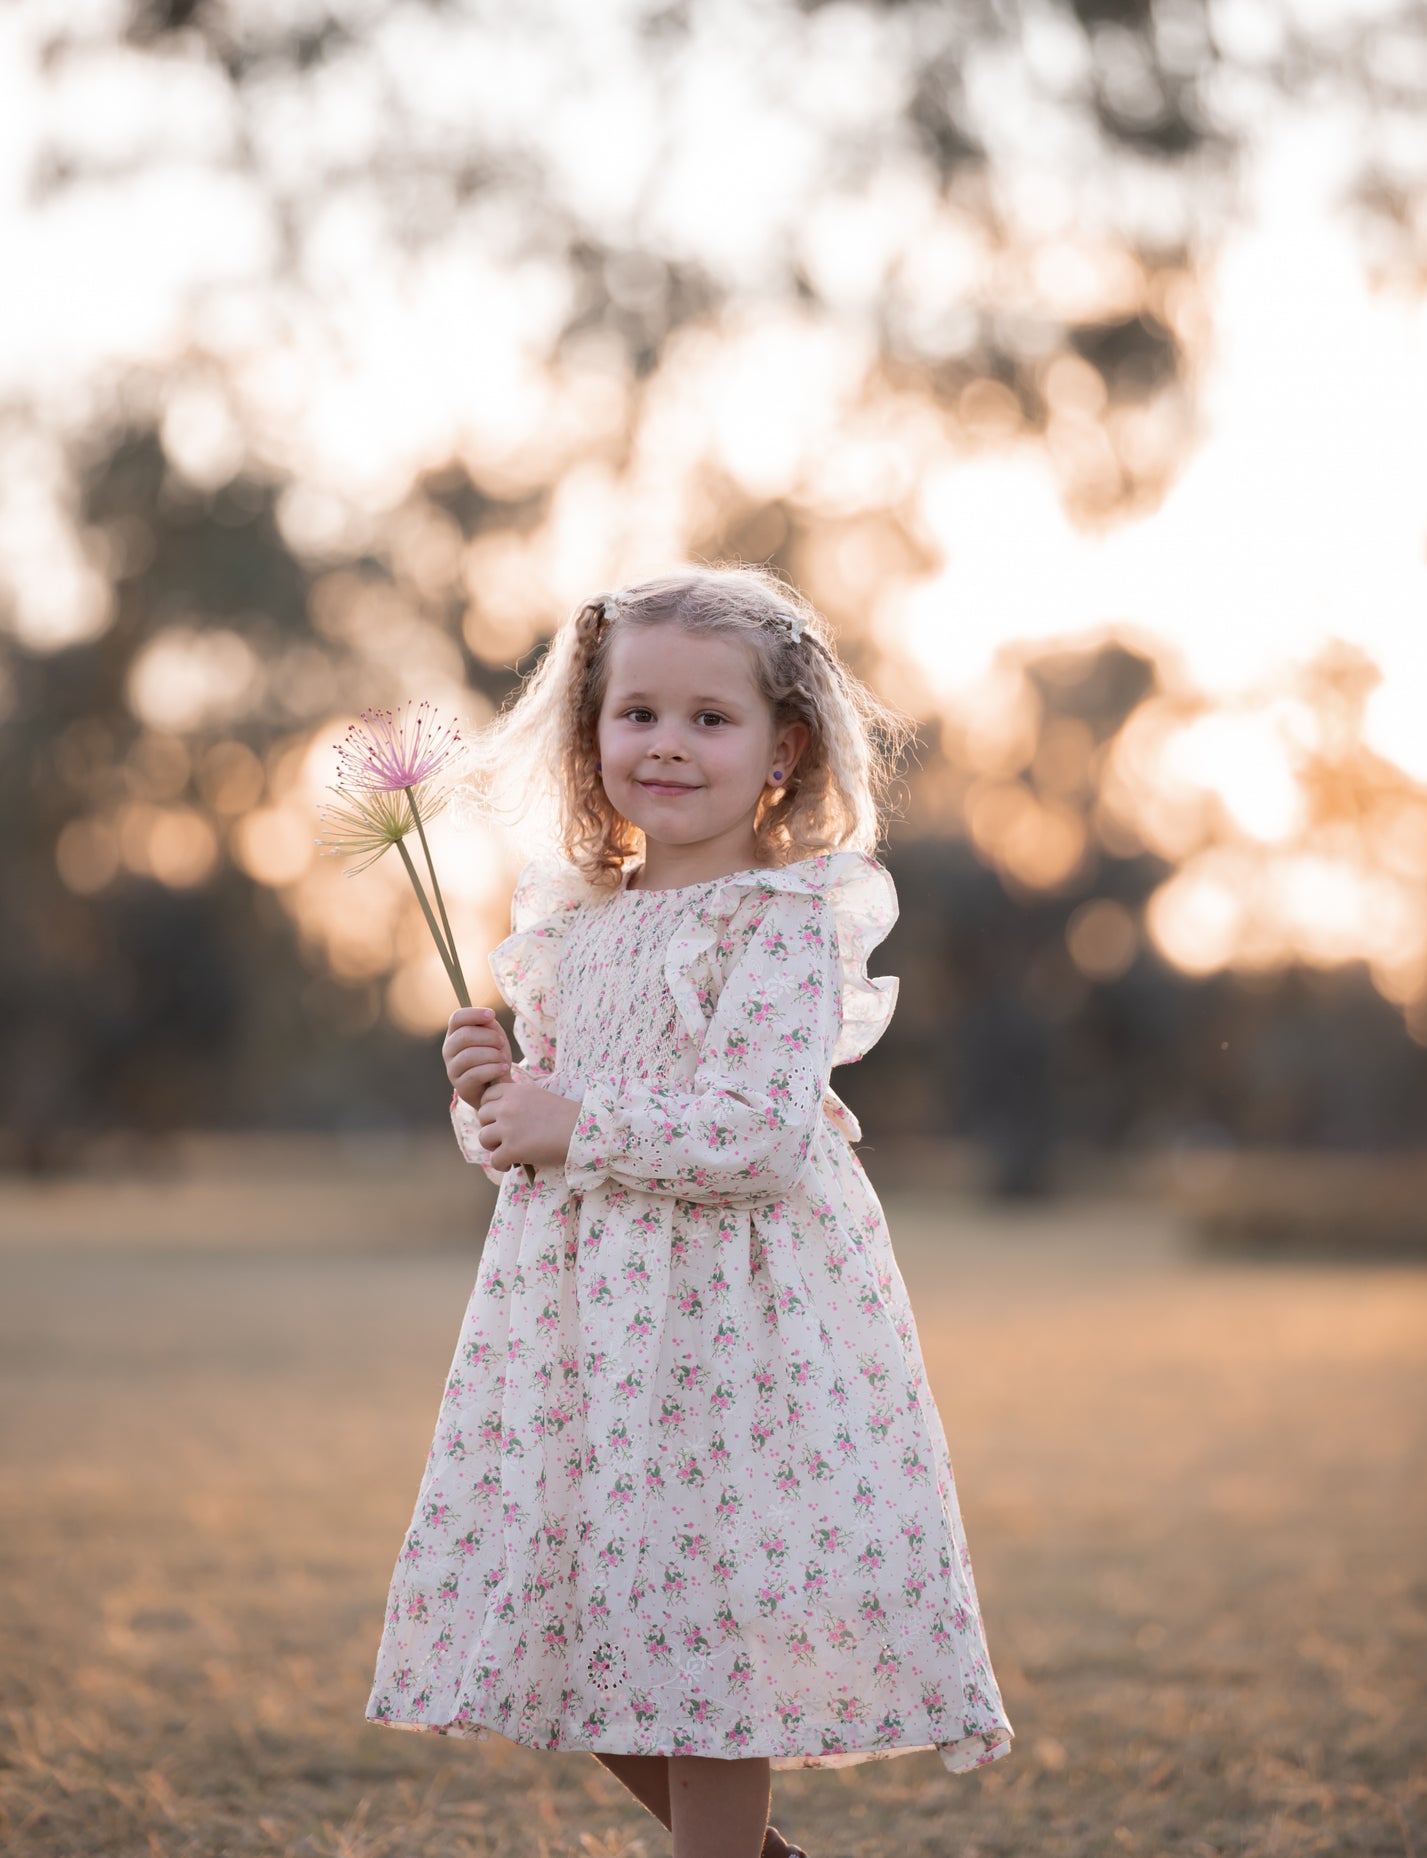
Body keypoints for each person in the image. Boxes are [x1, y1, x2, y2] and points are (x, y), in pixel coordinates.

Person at [364, 565, 1014, 1858]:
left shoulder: (778, 919)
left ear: (782, 746)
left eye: (708, 719)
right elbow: (529, 1144)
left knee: (707, 1639)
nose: (666, 742)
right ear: (588, 733)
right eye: (636, 713)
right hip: (580, 1337)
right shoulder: (569, 920)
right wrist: (493, 1096)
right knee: (568, 1615)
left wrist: (578, 1123)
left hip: (729, 1335)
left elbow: (763, 1131)